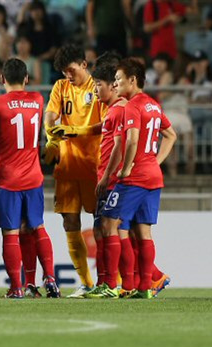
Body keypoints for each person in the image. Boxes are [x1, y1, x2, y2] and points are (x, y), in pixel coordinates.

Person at [0, 58, 60, 299]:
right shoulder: (37, 100)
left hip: (7, 179)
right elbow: (13, 107)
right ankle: (50, 278)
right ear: (26, 78)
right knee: (38, 227)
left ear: (3, 79)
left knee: (10, 233)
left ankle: (16, 288)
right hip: (33, 177)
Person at [101, 57, 177, 298]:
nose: (115, 84)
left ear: (132, 80)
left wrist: (124, 170)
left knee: (110, 223)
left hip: (135, 178)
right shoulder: (154, 105)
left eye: (119, 80)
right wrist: (155, 161)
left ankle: (113, 285)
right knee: (143, 232)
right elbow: (171, 135)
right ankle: (144, 288)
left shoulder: (132, 106)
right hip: (154, 177)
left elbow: (131, 140)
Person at [44, 44, 107, 298]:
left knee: (102, 226)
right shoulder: (61, 87)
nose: (67, 76)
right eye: (63, 72)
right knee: (70, 222)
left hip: (94, 166)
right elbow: (50, 114)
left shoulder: (97, 87)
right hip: (67, 167)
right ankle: (87, 283)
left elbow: (105, 124)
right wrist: (51, 136)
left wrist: (75, 131)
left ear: (84, 64)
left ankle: (108, 281)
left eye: (71, 70)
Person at [83, 59, 126, 298]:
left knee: (110, 229)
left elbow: (119, 147)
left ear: (112, 86)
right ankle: (105, 282)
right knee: (100, 231)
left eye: (99, 85)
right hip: (105, 179)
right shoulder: (112, 110)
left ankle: (113, 283)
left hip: (112, 182)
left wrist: (107, 176)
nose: (96, 89)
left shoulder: (119, 110)